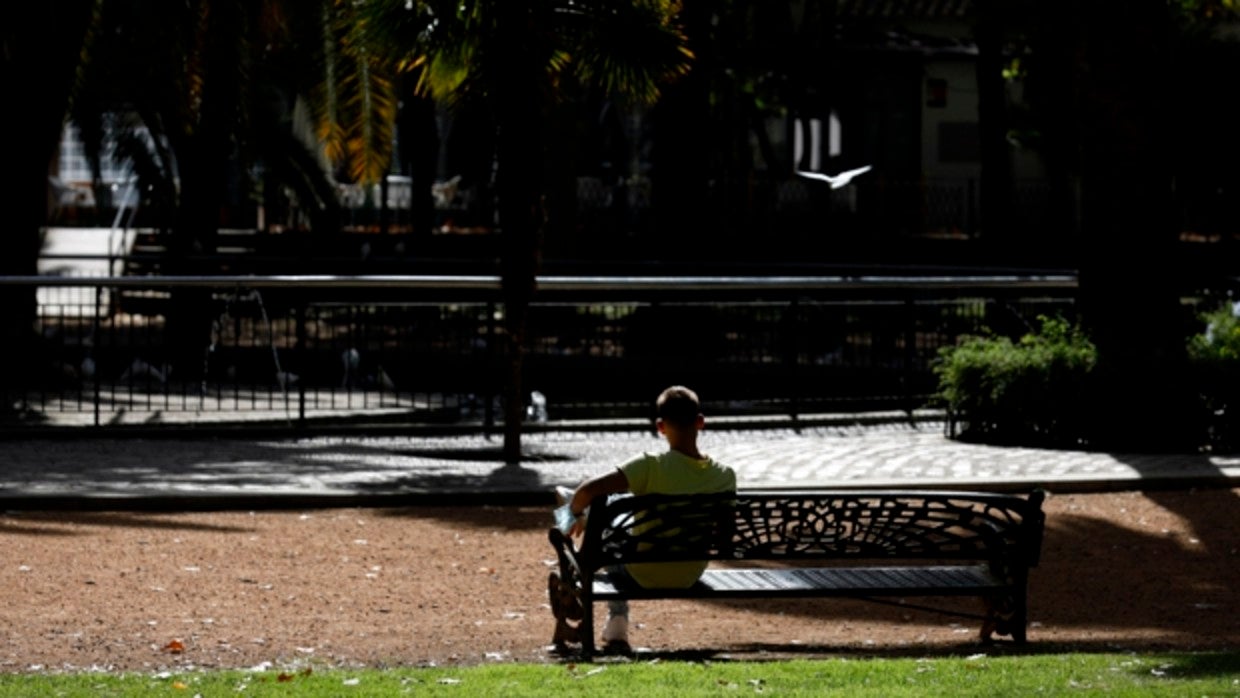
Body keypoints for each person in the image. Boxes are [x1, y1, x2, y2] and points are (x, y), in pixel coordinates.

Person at [558, 385, 737, 653]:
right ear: (700, 422)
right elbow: (725, 536)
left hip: (641, 572)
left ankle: (613, 613)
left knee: (600, 519)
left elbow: (587, 489)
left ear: (660, 427)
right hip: (689, 572)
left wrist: (569, 518)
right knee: (616, 508)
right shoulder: (725, 476)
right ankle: (579, 519)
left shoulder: (649, 466)